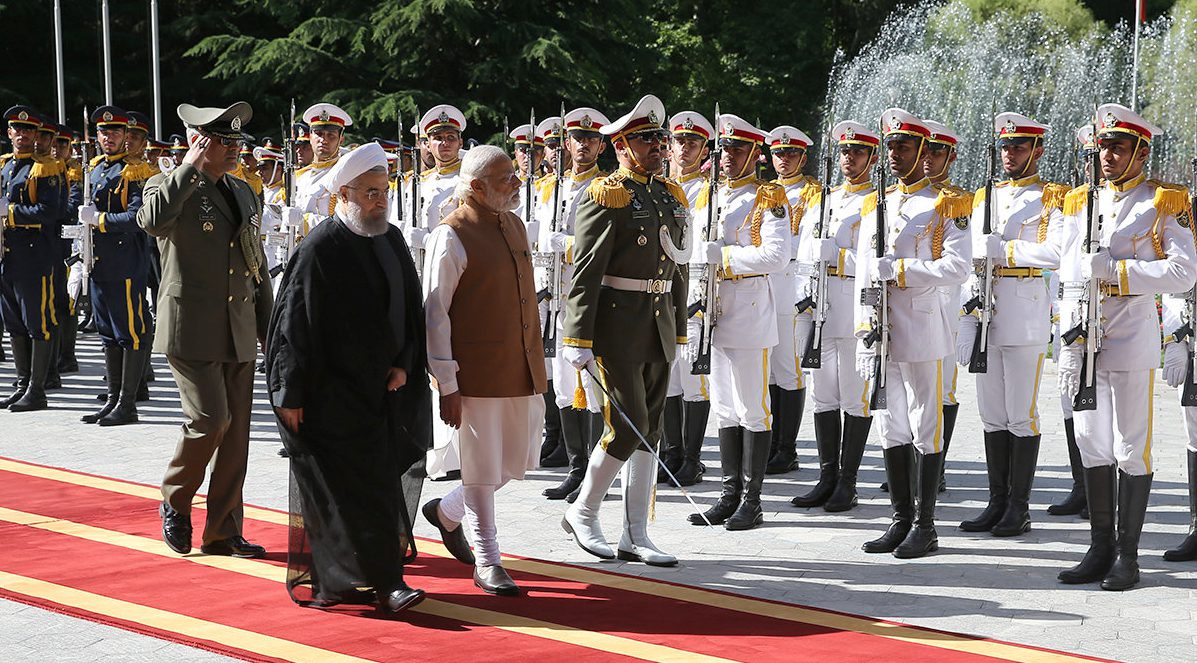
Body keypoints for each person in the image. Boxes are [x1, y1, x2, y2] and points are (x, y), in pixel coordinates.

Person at [267, 142, 431, 614]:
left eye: (384, 191)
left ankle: (358, 579)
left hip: (379, 393)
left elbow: (407, 311)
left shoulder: (391, 238)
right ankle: (385, 585)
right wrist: (290, 395)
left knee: (376, 487)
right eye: (369, 193)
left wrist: (404, 361)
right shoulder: (319, 248)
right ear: (343, 194)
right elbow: (292, 330)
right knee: (344, 493)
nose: (380, 201)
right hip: (327, 396)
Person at [1057, 104, 1196, 590]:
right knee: (1091, 441)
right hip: (1083, 335)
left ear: (1141, 151)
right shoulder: (1079, 200)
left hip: (1131, 333)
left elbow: (1184, 273)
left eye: (1119, 146)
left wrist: (1118, 273)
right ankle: (1099, 547)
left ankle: (1128, 557)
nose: (1108, 155)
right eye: (1104, 146)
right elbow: (1064, 264)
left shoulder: (1163, 201)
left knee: (1129, 445)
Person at [138, 101, 273, 559]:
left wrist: (270, 329)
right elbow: (153, 222)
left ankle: (223, 531)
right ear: (200, 141)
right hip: (191, 327)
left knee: (236, 435)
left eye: (238, 141)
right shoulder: (167, 184)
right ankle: (175, 499)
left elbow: (256, 264)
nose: (237, 149)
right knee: (210, 421)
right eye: (227, 141)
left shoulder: (243, 190)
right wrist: (189, 166)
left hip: (237, 326)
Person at [561, 93, 687, 566]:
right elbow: (586, 271)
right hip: (616, 327)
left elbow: (678, 265)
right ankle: (584, 511)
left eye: (659, 137)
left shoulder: (668, 195)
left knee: (649, 429)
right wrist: (577, 338)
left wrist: (678, 328)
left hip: (657, 323)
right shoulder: (606, 194)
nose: (658, 145)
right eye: (646, 139)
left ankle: (636, 533)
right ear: (622, 147)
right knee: (626, 425)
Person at [421, 145, 547, 595]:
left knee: (512, 462)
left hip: (521, 365)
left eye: (513, 175)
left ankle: (447, 512)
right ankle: (488, 559)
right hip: (474, 373)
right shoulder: (450, 234)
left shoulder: (513, 223)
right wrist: (446, 382)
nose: (516, 183)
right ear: (475, 188)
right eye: (504, 179)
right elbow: (435, 314)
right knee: (479, 466)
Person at [854, 108, 971, 559]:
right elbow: (866, 272)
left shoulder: (946, 205)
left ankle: (926, 524)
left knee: (926, 420)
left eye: (905, 146)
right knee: (889, 423)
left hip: (922, 325)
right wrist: (863, 326)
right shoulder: (876, 203)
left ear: (924, 152)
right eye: (892, 146)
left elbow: (957, 268)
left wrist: (903, 269)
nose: (896, 154)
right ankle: (899, 518)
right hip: (881, 331)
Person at [957, 112, 1065, 537]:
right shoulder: (984, 196)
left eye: (1019, 146)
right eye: (1005, 146)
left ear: (1037, 150)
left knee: (1020, 414)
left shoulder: (1052, 197)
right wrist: (966, 316)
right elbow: (970, 259)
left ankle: (1019, 507)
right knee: (991, 414)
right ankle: (996, 500)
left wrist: (1007, 249)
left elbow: (1056, 252)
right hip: (986, 311)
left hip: (1023, 308)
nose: (1010, 153)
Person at [686, 114, 789, 531]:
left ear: (755, 155)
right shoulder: (711, 194)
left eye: (738, 149)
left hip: (748, 310)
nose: (729, 156)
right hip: (712, 311)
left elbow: (777, 256)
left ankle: (753, 498)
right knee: (725, 407)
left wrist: (725, 259)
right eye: (724, 149)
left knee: (752, 408)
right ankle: (729, 494)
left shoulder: (769, 196)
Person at [791, 120, 879, 513]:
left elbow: (874, 261)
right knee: (823, 394)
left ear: (872, 158)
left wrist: (838, 255)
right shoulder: (821, 198)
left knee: (853, 396)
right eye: (845, 152)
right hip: (819, 303)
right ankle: (826, 476)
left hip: (850, 299)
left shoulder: (876, 202)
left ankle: (848, 481)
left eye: (857, 152)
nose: (849, 159)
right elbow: (804, 253)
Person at [536, 106, 612, 501]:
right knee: (565, 388)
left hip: (588, 299)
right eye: (577, 139)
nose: (583, 146)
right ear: (566, 144)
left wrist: (563, 245)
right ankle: (576, 466)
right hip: (553, 297)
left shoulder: (606, 187)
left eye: (591, 140)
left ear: (601, 145)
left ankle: (598, 473)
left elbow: (599, 245)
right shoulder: (548, 188)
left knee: (592, 387)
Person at [78, 106, 154, 426]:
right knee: (107, 333)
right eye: (103, 132)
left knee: (130, 333)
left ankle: (128, 402)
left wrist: (100, 220)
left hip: (124, 262)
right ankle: (112, 398)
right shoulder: (95, 169)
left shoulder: (135, 171)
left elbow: (139, 218)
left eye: (115, 132)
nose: (108, 137)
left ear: (125, 136)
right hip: (97, 262)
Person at [659, 110, 715, 487]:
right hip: (664, 288)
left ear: (703, 148)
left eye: (692, 143)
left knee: (694, 378)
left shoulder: (711, 190)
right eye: (679, 141)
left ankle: (693, 458)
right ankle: (672, 452)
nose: (684, 148)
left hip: (694, 287)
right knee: (669, 377)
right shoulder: (660, 185)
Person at [0, 106, 65, 411]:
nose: (22, 135)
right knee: (14, 321)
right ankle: (23, 382)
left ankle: (37, 389)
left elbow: (49, 213)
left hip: (34, 255)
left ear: (36, 135)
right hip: (7, 256)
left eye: (28, 131)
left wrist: (10, 213)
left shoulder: (45, 168)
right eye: (17, 129)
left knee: (38, 321)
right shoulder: (5, 166)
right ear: (9, 133)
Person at [921, 120, 969, 492]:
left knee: (944, 389)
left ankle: (936, 466)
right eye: (924, 150)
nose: (927, 159)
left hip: (947, 306)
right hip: (913, 307)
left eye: (935, 152)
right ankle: (912, 465)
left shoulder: (957, 201)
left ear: (950, 157)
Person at [765, 125, 817, 476]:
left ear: (803, 157)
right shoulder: (764, 191)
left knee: (789, 366)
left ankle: (788, 447)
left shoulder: (813, 193)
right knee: (766, 364)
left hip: (794, 283)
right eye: (778, 154)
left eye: (791, 154)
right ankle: (769, 441)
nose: (784, 160)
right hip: (764, 282)